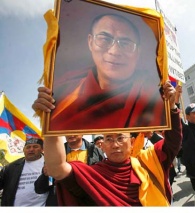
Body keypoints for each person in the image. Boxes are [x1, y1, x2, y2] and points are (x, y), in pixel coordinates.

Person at [32, 81, 182, 206]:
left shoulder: (148, 161)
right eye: (109, 139)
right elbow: (56, 169)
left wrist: (172, 108)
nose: (115, 145)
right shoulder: (95, 173)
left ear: (131, 142)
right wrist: (51, 120)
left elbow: (173, 141)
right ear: (102, 146)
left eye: (120, 138)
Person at [47, 13, 165, 131]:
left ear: (137, 52)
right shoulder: (64, 89)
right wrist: (45, 111)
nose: (114, 51)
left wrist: (173, 109)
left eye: (126, 43)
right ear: (90, 42)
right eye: (104, 39)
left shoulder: (155, 96)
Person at [34, 135, 105, 206]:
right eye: (67, 131)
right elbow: (45, 185)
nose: (71, 134)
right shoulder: (55, 153)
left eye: (74, 131)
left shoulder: (95, 151)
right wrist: (46, 175)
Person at [0, 138, 48, 206]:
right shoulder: (11, 168)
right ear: (23, 150)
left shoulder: (49, 164)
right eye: (28, 147)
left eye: (35, 146)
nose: (31, 149)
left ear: (42, 149)